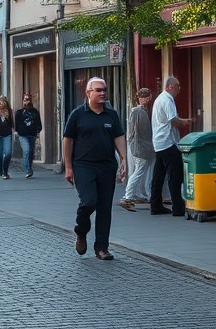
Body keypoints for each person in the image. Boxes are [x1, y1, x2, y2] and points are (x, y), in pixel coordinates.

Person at [62, 76, 127, 260]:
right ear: (88, 93)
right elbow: (68, 140)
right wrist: (68, 167)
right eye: (98, 90)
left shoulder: (111, 115)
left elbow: (118, 137)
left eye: (104, 89)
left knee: (104, 208)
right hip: (83, 166)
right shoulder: (77, 114)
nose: (103, 93)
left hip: (107, 166)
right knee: (89, 202)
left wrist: (124, 159)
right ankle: (81, 231)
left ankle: (101, 248)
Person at [150, 76, 191, 217]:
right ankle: (178, 207)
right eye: (177, 86)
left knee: (159, 175)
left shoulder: (159, 99)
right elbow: (173, 120)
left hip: (159, 142)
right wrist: (185, 122)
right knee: (175, 175)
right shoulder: (167, 100)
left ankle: (155, 204)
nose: (179, 90)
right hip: (168, 142)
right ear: (169, 87)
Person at [120, 87, 155, 209]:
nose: (146, 99)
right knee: (139, 171)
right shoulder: (139, 112)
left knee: (143, 171)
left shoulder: (140, 111)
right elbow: (140, 133)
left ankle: (140, 194)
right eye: (144, 97)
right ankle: (128, 195)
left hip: (141, 147)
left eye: (147, 96)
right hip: (141, 148)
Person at [15, 92, 43, 178]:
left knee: (31, 152)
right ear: (22, 101)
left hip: (32, 134)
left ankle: (29, 167)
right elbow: (16, 124)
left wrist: (38, 129)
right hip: (23, 135)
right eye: (25, 100)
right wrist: (18, 131)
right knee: (26, 150)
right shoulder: (19, 112)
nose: (27, 102)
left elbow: (38, 122)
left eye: (28, 100)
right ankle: (26, 169)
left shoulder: (35, 112)